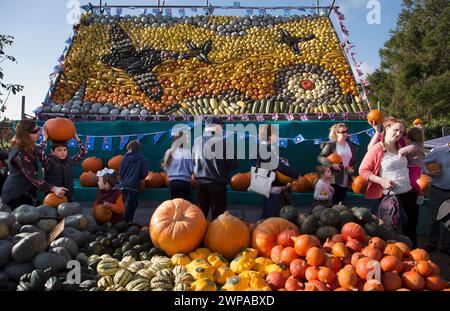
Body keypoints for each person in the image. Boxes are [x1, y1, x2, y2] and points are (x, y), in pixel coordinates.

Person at [359, 117, 419, 248]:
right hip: (391, 198)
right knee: (390, 233)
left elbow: (417, 145)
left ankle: (413, 259)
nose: (398, 134)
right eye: (396, 130)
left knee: (410, 229)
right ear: (386, 128)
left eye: (401, 132)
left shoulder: (401, 145)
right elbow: (363, 170)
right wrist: (381, 181)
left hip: (408, 194)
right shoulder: (377, 149)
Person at [1, 120, 67, 209]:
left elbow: (40, 151)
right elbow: (34, 178)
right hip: (15, 195)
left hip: (25, 193)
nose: (38, 133)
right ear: (25, 134)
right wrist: (54, 188)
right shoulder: (21, 153)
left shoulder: (29, 146)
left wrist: (45, 139)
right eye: (35, 131)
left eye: (38, 130)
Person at [192, 117, 238, 220]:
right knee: (218, 217)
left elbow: (193, 161)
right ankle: (214, 235)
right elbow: (233, 165)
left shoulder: (197, 141)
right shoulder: (225, 143)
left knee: (200, 215)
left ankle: (200, 235)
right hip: (217, 184)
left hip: (200, 183)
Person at [257, 124, 299, 219]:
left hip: (272, 185)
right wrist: (296, 175)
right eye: (276, 134)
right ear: (269, 136)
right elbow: (278, 166)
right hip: (271, 186)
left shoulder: (267, 147)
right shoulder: (264, 149)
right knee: (271, 213)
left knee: (270, 211)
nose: (278, 136)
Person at [39, 128, 87, 202]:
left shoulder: (70, 161)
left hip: (68, 195)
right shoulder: (48, 162)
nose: (63, 152)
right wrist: (45, 139)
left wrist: (76, 138)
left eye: (65, 149)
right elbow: (39, 152)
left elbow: (83, 152)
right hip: (53, 196)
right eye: (59, 150)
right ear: (52, 152)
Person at [318, 123, 358, 205]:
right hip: (333, 179)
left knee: (341, 205)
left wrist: (352, 168)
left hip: (346, 178)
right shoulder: (331, 145)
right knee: (332, 204)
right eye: (342, 132)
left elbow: (353, 161)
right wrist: (331, 165)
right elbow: (320, 157)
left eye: (346, 131)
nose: (345, 134)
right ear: (336, 133)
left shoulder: (351, 146)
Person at [422, 142, 450, 255]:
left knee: (449, 221)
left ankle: (446, 245)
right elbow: (422, 162)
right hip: (438, 190)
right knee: (433, 219)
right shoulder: (438, 151)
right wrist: (429, 173)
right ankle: (432, 243)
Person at [119, 140, 148, 223]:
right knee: (131, 206)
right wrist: (139, 177)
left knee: (124, 205)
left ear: (129, 148)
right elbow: (144, 174)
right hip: (134, 186)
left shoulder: (124, 158)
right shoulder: (142, 159)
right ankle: (127, 223)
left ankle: (121, 223)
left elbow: (121, 172)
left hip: (123, 185)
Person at [398, 127, 426, 205]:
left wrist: (399, 154)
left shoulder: (413, 146)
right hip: (417, 167)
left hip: (412, 167)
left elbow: (401, 151)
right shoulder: (420, 145)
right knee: (411, 182)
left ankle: (420, 193)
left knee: (412, 182)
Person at [162, 131, 194, 200]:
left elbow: (165, 169)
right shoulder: (187, 152)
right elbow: (191, 169)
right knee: (184, 205)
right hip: (185, 183)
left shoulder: (169, 152)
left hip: (172, 183)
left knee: (175, 204)